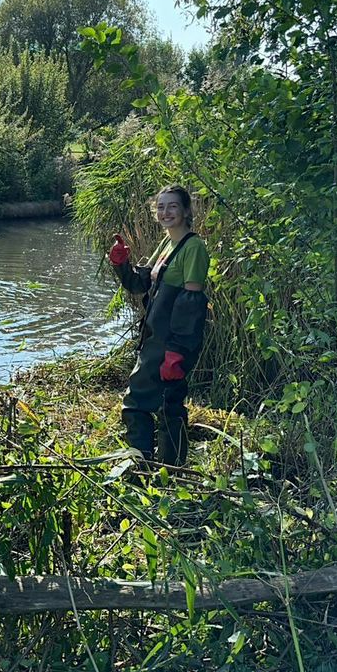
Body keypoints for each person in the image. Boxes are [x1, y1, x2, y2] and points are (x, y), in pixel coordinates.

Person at [109, 186, 210, 466]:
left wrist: (176, 352)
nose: (165, 212)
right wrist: (121, 264)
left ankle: (139, 467)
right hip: (156, 338)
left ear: (187, 211)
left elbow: (192, 303)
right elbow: (141, 284)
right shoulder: (167, 244)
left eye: (172, 206)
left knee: (136, 402)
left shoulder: (194, 248)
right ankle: (170, 468)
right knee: (170, 402)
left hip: (170, 342)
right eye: (161, 207)